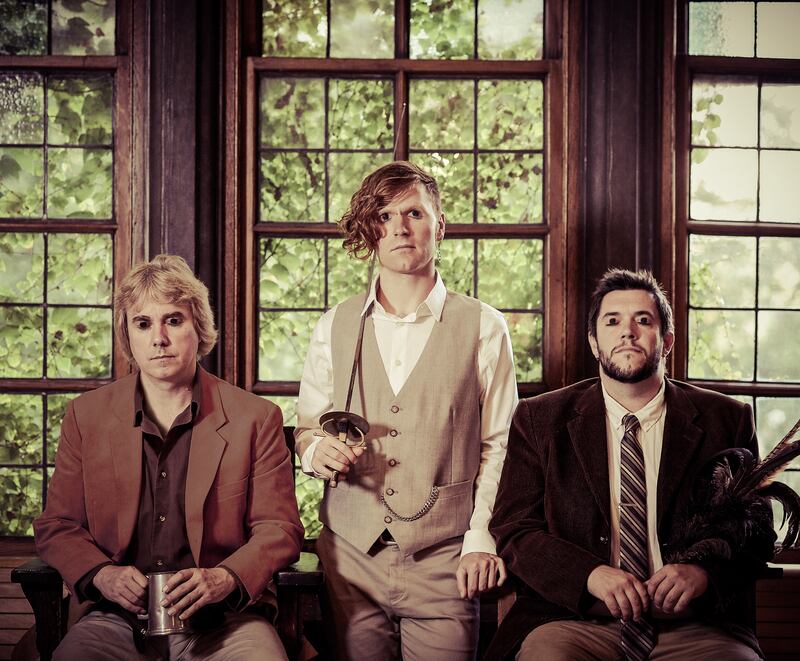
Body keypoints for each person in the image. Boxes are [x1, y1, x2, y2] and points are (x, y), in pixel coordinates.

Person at [486, 268, 775, 661]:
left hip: (695, 625)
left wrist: (703, 573)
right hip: (572, 621)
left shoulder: (727, 420)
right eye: (612, 321)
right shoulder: (540, 419)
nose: (628, 332)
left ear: (667, 340)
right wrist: (589, 574)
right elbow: (514, 528)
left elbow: (756, 534)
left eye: (643, 320)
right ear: (594, 342)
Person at [295, 161, 518, 659]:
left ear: (438, 225)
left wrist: (480, 536)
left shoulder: (484, 327)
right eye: (384, 215)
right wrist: (316, 454)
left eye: (413, 212)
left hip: (445, 558)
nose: (399, 226)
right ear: (371, 231)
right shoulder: (334, 324)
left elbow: (500, 444)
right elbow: (306, 430)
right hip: (351, 557)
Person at [34, 254, 304, 660]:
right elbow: (58, 525)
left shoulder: (256, 418)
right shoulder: (85, 416)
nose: (158, 338)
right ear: (128, 335)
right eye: (143, 323)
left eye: (173, 320)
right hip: (113, 617)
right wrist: (102, 575)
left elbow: (279, 529)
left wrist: (225, 578)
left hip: (226, 620)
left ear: (199, 327)